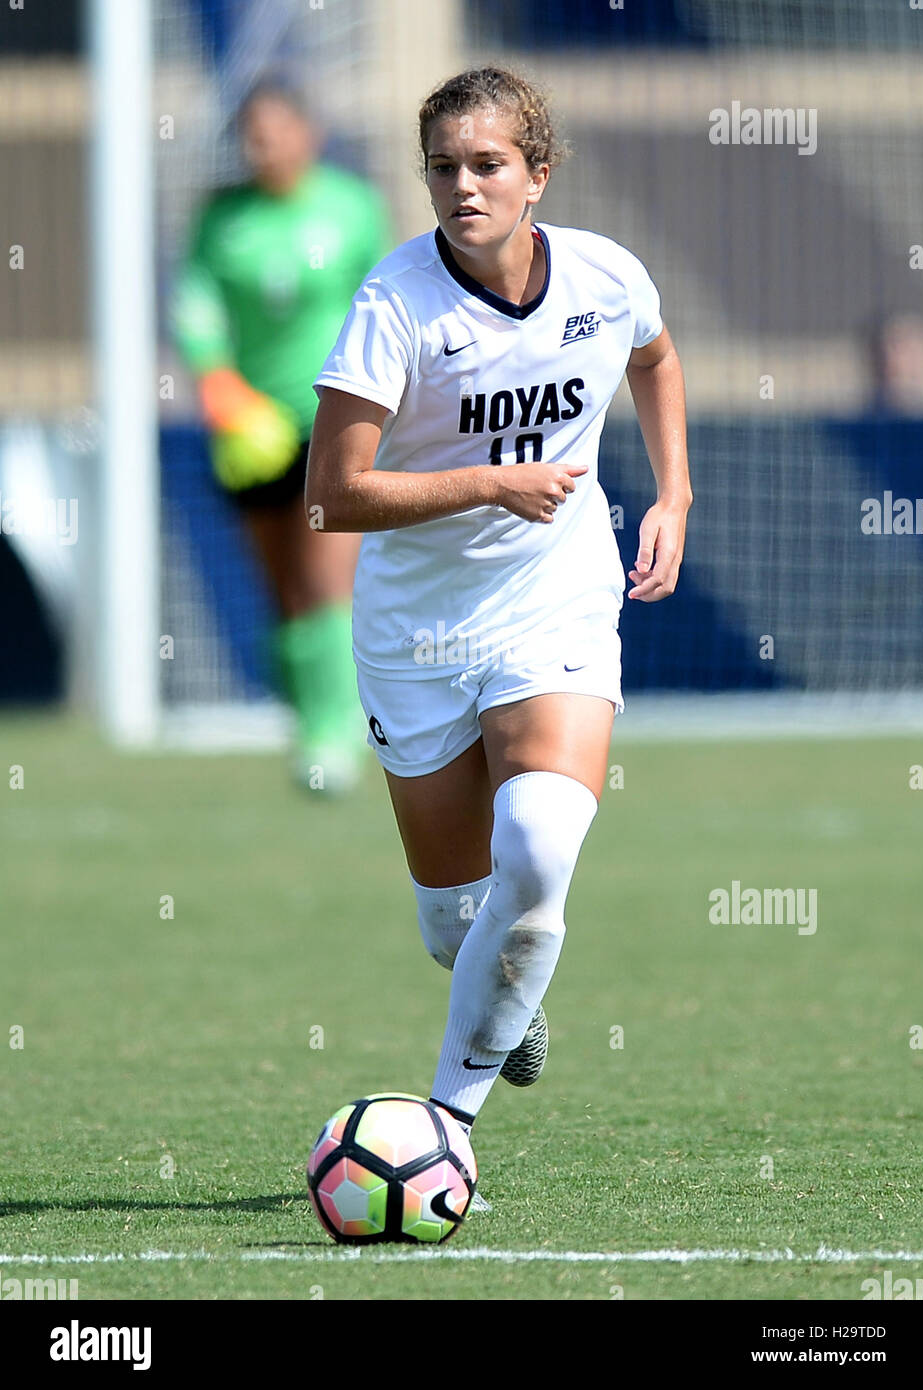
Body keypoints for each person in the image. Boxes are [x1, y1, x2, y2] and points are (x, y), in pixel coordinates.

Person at [306, 66, 691, 1144]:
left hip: (553, 602)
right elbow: (331, 503)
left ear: (538, 176)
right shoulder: (395, 303)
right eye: (442, 167)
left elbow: (654, 356)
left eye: (488, 166)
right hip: (416, 632)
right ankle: (500, 1003)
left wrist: (674, 491)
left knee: (538, 838)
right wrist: (490, 481)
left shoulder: (605, 278)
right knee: (457, 921)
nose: (463, 187)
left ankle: (447, 1123)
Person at [172, 78, 393, 790]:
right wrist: (218, 382)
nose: (260, 144)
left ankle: (336, 739)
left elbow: (387, 305)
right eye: (250, 133)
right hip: (250, 430)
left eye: (273, 129)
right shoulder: (221, 218)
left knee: (328, 579)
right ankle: (306, 724)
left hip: (334, 422)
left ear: (309, 133)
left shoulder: (350, 208)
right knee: (283, 593)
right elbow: (195, 303)